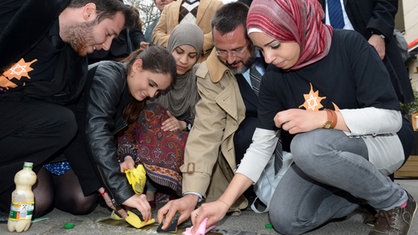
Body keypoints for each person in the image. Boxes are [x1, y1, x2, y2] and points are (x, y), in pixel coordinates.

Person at [189, 0, 416, 235]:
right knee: (285, 218)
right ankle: (361, 196)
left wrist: (323, 118)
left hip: (385, 142)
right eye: (261, 49)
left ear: (298, 27)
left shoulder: (350, 45)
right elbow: (261, 146)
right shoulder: (274, 78)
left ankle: (394, 202)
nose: (268, 58)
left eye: (275, 45)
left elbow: (391, 119)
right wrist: (223, 203)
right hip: (324, 154)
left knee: (305, 146)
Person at [0, 0, 136, 218]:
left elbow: (77, 130)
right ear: (89, 12)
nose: (107, 46)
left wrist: (104, 187)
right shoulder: (15, 11)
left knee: (63, 122)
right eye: (108, 33)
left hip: (9, 124)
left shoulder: (70, 69)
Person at [157, 2, 270, 230]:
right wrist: (192, 194)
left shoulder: (277, 55)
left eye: (237, 50)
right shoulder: (210, 73)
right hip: (254, 148)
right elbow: (206, 132)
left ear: (252, 39)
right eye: (221, 51)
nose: (229, 59)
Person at [85, 45, 177, 222]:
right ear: (137, 66)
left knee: (82, 202)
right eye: (151, 84)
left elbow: (122, 135)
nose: (151, 94)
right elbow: (97, 132)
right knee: (44, 201)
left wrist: (126, 159)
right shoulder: (108, 75)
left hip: (80, 151)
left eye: (158, 91)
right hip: (56, 144)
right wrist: (122, 192)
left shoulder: (134, 94)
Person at [117, 23, 204, 206]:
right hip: (142, 136)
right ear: (170, 46)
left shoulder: (199, 79)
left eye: (191, 55)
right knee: (153, 115)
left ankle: (173, 190)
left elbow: (205, 120)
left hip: (183, 136)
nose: (183, 60)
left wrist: (184, 124)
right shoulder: (153, 73)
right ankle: (150, 188)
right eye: (179, 51)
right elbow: (131, 119)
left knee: (188, 140)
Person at [318, 0, 414, 104]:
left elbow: (387, 3)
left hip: (371, 50)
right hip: (332, 67)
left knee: (385, 110)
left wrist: (379, 34)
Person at [152, 0, 223, 61]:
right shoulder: (169, 7)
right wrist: (175, 42)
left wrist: (197, 44)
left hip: (205, 63)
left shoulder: (216, 5)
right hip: (172, 64)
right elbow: (157, 33)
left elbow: (222, 30)